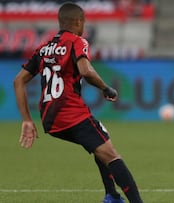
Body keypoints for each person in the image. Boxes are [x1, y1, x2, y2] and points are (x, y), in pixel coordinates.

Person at [13, 2, 143, 203]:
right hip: (71, 113)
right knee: (112, 155)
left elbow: (18, 81)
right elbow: (86, 70)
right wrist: (105, 88)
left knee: (101, 141)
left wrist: (26, 120)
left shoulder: (44, 48)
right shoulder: (77, 41)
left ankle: (112, 196)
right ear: (78, 21)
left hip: (50, 119)